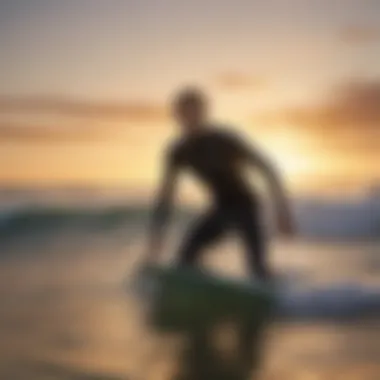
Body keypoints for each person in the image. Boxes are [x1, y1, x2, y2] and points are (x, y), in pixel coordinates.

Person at [145, 87, 295, 281]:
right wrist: (156, 237)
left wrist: (282, 212)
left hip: (246, 207)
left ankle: (279, 291)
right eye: (185, 112)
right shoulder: (178, 152)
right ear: (177, 116)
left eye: (195, 111)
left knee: (258, 272)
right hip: (220, 209)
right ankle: (201, 292)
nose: (190, 118)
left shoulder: (224, 141)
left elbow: (267, 169)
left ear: (204, 112)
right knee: (185, 260)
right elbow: (165, 196)